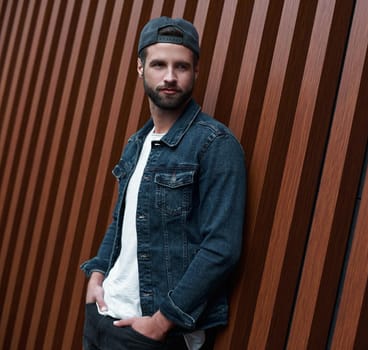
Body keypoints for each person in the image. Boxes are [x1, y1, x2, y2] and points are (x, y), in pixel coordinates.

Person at [81, 17, 246, 350]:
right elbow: (121, 221)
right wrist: (97, 276)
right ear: (140, 68)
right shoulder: (137, 143)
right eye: (159, 64)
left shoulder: (214, 145)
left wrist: (161, 321)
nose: (170, 77)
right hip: (104, 315)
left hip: (155, 335)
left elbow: (221, 249)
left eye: (181, 66)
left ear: (196, 71)